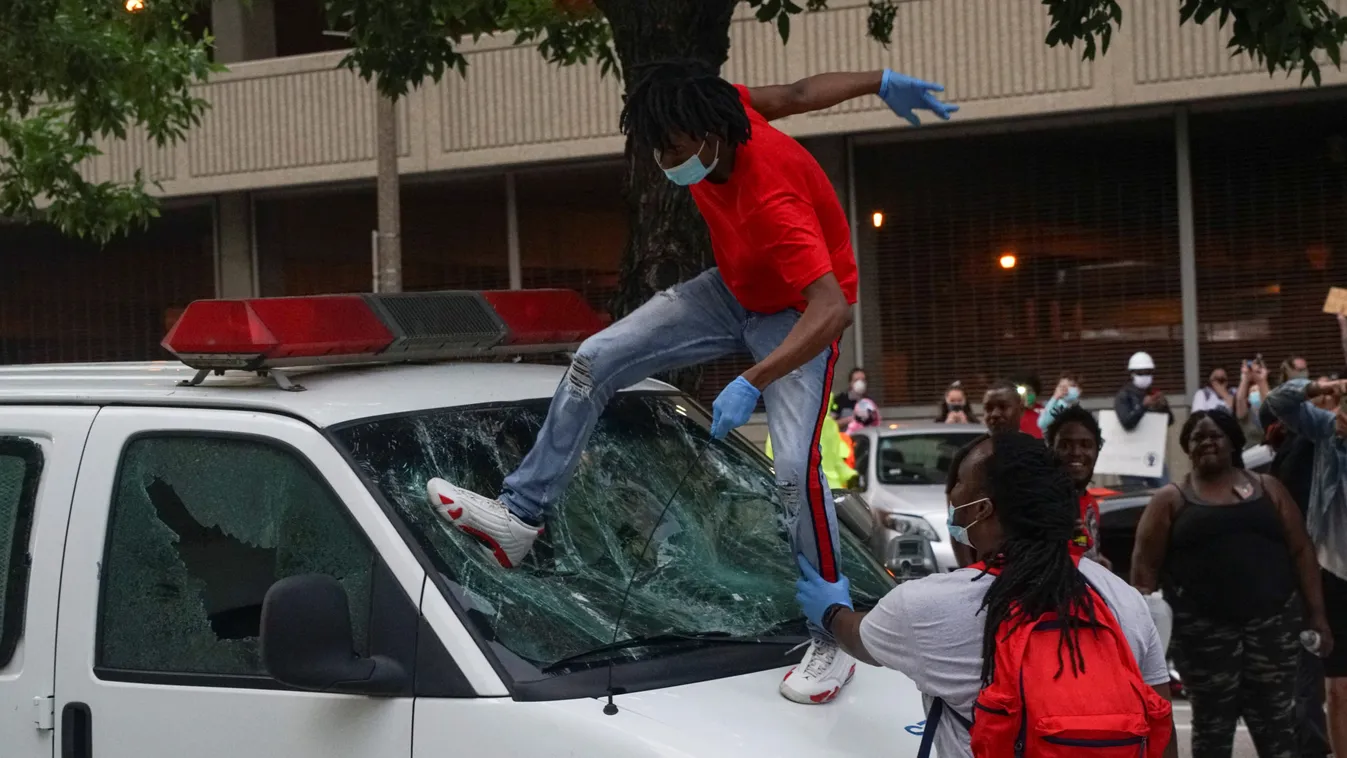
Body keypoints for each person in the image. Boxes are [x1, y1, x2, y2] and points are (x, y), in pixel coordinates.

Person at [422, 59, 958, 705]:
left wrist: (754, 379)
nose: (664, 161)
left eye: (672, 149)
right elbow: (795, 90)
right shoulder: (712, 107)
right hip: (731, 291)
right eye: (656, 146)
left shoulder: (774, 195)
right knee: (596, 356)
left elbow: (830, 309)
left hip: (795, 315)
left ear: (711, 135)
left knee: (792, 468)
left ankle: (832, 632)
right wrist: (878, 80)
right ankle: (519, 515)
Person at [794, 432, 1177, 757]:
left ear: (983, 509)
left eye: (958, 482)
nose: (951, 494)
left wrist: (829, 609)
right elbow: (1160, 724)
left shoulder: (929, 605)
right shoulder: (1122, 598)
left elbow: (857, 638)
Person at [1131, 409, 1332, 758]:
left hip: (1272, 632)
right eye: (1198, 437)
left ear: (1233, 442)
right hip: (1203, 638)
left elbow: (1302, 551)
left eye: (1215, 435)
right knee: (1212, 732)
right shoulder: (1170, 500)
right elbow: (1143, 574)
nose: (1207, 442)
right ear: (1187, 448)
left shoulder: (1268, 488)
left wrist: (1318, 616)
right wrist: (1147, 643)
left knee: (1280, 729)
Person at [1267, 376, 1347, 753]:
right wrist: (1317, 386)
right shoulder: (1326, 431)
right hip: (1333, 570)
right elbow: (1277, 402)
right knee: (1337, 685)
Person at [1045, 405, 1110, 569]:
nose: (1076, 452)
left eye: (1086, 444)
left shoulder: (1090, 504)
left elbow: (1082, 547)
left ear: (1097, 450)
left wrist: (1097, 563)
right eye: (1065, 445)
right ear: (1051, 449)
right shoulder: (1041, 505)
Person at [1114, 351, 1173, 488]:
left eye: (1148, 372)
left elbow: (1169, 421)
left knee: (1164, 490)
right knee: (1135, 495)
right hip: (1130, 459)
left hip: (1152, 455)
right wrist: (1143, 407)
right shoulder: (1124, 396)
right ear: (1132, 374)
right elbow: (1127, 423)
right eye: (1141, 373)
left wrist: (1163, 407)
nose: (1145, 376)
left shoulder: (1153, 393)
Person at [1237, 357, 1272, 443]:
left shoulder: (1272, 393)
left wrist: (1261, 380)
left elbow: (1270, 409)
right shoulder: (1242, 398)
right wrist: (1245, 378)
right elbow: (1240, 406)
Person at [1012, 372, 1045, 439]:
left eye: (1029, 391)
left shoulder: (1044, 412)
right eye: (1022, 392)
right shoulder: (1013, 415)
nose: (1026, 395)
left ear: (1036, 392)